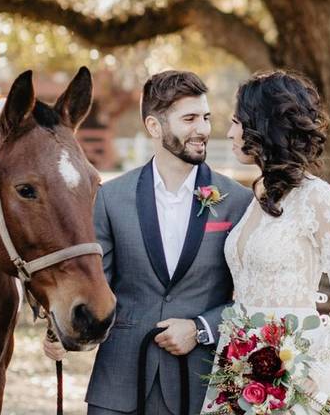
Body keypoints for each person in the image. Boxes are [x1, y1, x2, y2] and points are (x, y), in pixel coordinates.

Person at [44, 70, 252, 415]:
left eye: (205, 117)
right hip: (118, 384)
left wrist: (201, 329)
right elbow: (98, 284)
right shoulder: (110, 197)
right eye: (189, 119)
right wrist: (64, 333)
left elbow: (253, 298)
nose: (202, 129)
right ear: (154, 127)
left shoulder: (237, 201)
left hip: (201, 386)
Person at [204, 70, 330, 414]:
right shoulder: (256, 196)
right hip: (238, 365)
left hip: (293, 367)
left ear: (263, 126)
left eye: (237, 122)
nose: (230, 132)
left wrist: (315, 371)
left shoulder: (317, 198)